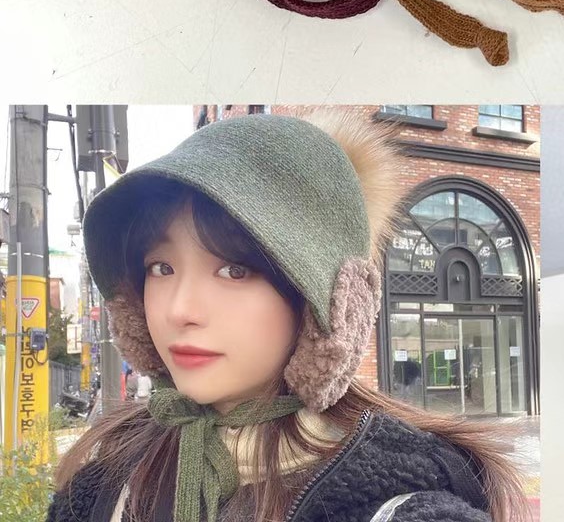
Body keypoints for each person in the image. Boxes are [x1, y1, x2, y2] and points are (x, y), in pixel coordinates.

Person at [47, 111, 523, 521]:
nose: (179, 310)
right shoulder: (108, 477)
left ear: (325, 307)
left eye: (234, 270)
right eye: (161, 268)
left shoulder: (398, 495)